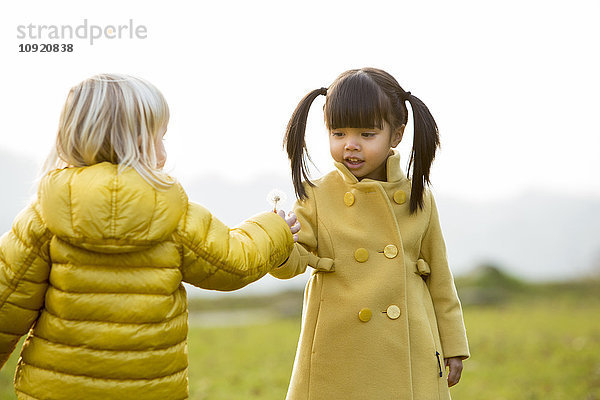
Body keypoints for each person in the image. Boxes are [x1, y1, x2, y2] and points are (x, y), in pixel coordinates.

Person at [0, 73, 300, 400]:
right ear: (140, 142)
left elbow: (6, 302)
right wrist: (276, 230)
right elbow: (233, 263)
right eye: (162, 138)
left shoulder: (43, 215)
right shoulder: (173, 213)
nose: (164, 152)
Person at [271, 67, 469, 399]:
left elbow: (440, 278)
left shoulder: (418, 197)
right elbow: (293, 262)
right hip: (337, 349)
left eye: (366, 134)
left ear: (396, 135)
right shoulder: (316, 195)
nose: (350, 146)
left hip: (410, 347)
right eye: (338, 133)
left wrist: (453, 343)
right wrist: (279, 237)